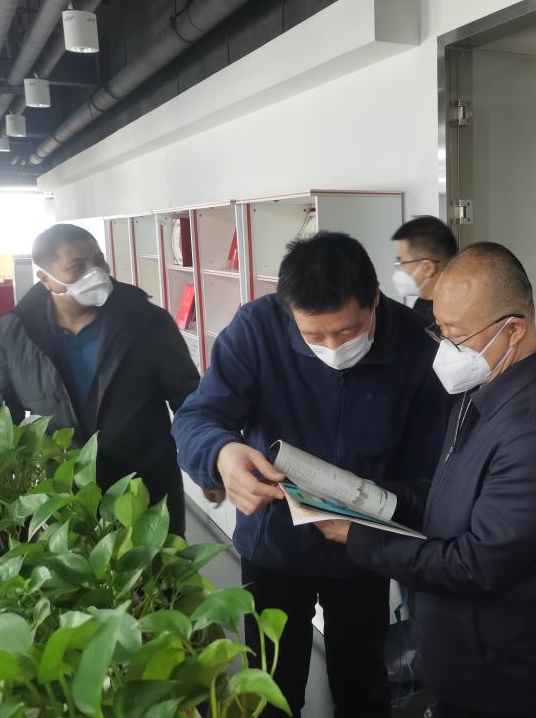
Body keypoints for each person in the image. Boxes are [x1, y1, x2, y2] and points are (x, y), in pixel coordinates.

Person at [316, 242, 536, 718]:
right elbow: (451, 492)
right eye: (440, 330)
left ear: (513, 330)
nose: (445, 349)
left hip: (503, 677)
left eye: (457, 335)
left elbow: (476, 564)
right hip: (460, 656)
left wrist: (357, 536)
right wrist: (367, 496)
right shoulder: (486, 386)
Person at [172, 231, 446, 718]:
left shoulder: (417, 344)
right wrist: (221, 454)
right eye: (314, 336)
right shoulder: (257, 329)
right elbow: (197, 418)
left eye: (348, 331)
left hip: (363, 546)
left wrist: (380, 511)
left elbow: (432, 465)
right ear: (289, 311)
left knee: (363, 686)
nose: (333, 347)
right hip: (274, 542)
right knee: (272, 689)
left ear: (375, 298)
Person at [0, 223, 199, 534]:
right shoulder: (17, 333)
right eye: (77, 265)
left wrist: (206, 460)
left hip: (145, 487)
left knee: (157, 566)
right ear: (45, 278)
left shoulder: (146, 321)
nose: (95, 272)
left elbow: (188, 397)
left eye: (98, 260)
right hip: (64, 494)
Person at [391, 215, 459, 321]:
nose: (399, 269)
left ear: (428, 268)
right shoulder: (421, 304)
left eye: (402, 263)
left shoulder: (457, 314)